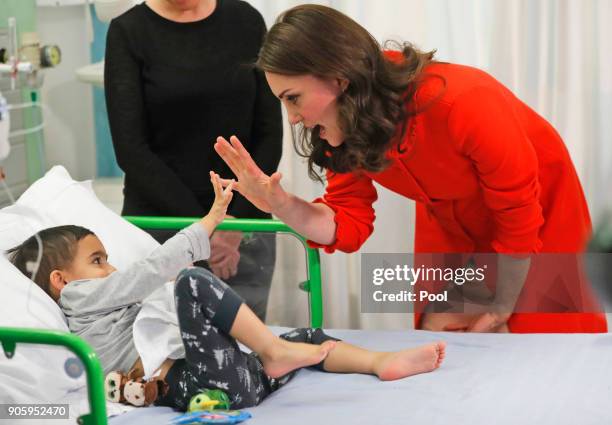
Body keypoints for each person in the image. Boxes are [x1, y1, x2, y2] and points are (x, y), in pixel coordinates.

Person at [214, 4, 607, 333]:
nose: (294, 119)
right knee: (443, 336)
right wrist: (279, 203)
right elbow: (345, 225)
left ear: (338, 77)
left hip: (538, 214)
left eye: (293, 98)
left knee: (546, 344)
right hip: (451, 219)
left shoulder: (465, 101)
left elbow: (518, 217)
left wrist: (502, 306)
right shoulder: (343, 127)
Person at [7, 172, 445, 410]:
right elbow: (146, 271)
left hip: (233, 377)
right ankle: (273, 353)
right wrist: (211, 219)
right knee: (190, 283)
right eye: (98, 261)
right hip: (201, 385)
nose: (112, 267)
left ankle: (379, 362)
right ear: (61, 281)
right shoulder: (79, 299)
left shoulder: (106, 302)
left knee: (307, 337)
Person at [104, 0, 282, 320]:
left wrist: (234, 221)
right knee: (168, 353)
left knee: (249, 357)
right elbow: (131, 148)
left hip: (243, 225)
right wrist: (207, 227)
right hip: (163, 229)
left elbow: (269, 133)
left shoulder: (246, 21)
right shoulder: (128, 32)